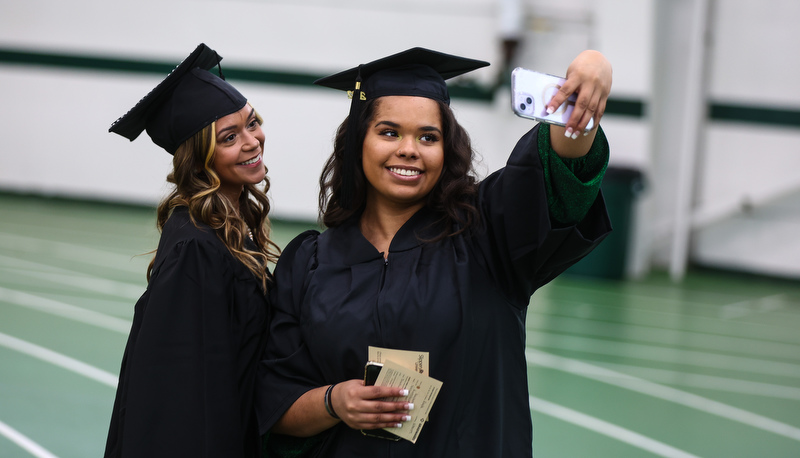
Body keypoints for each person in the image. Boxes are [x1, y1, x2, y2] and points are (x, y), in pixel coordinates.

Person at [257, 47, 613, 457]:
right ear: (358, 143)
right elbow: (275, 403)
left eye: (428, 136)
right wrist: (334, 402)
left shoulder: (486, 234)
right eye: (389, 132)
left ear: (447, 150)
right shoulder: (310, 264)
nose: (409, 149)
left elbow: (558, 170)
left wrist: (589, 75)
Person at [103, 43, 279, 457]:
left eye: (252, 123)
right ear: (198, 159)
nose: (253, 141)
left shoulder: (227, 227)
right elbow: (183, 402)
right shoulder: (195, 250)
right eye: (230, 137)